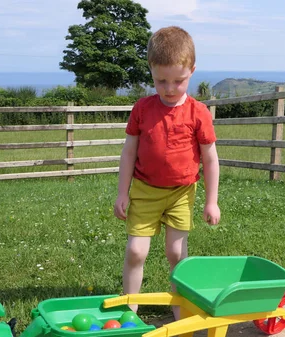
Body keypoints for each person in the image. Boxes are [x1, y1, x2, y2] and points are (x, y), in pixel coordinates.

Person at [113, 26, 221, 320]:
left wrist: (211, 201)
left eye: (179, 80)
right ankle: (129, 310)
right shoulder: (142, 109)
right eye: (161, 81)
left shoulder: (198, 113)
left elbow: (210, 160)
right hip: (145, 191)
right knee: (136, 251)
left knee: (176, 254)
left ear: (192, 71)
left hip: (181, 194)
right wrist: (122, 192)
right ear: (151, 71)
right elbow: (129, 152)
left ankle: (180, 309)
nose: (170, 88)